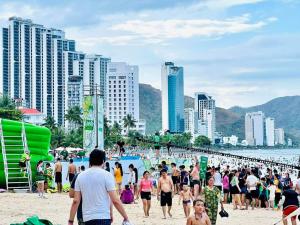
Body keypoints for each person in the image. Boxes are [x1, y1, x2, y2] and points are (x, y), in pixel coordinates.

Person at [68, 149, 130, 225]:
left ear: (90, 161)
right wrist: (125, 217)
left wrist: (70, 221)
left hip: (87, 218)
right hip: (103, 218)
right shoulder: (107, 175)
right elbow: (115, 200)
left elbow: (76, 201)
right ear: (103, 161)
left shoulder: (80, 176)